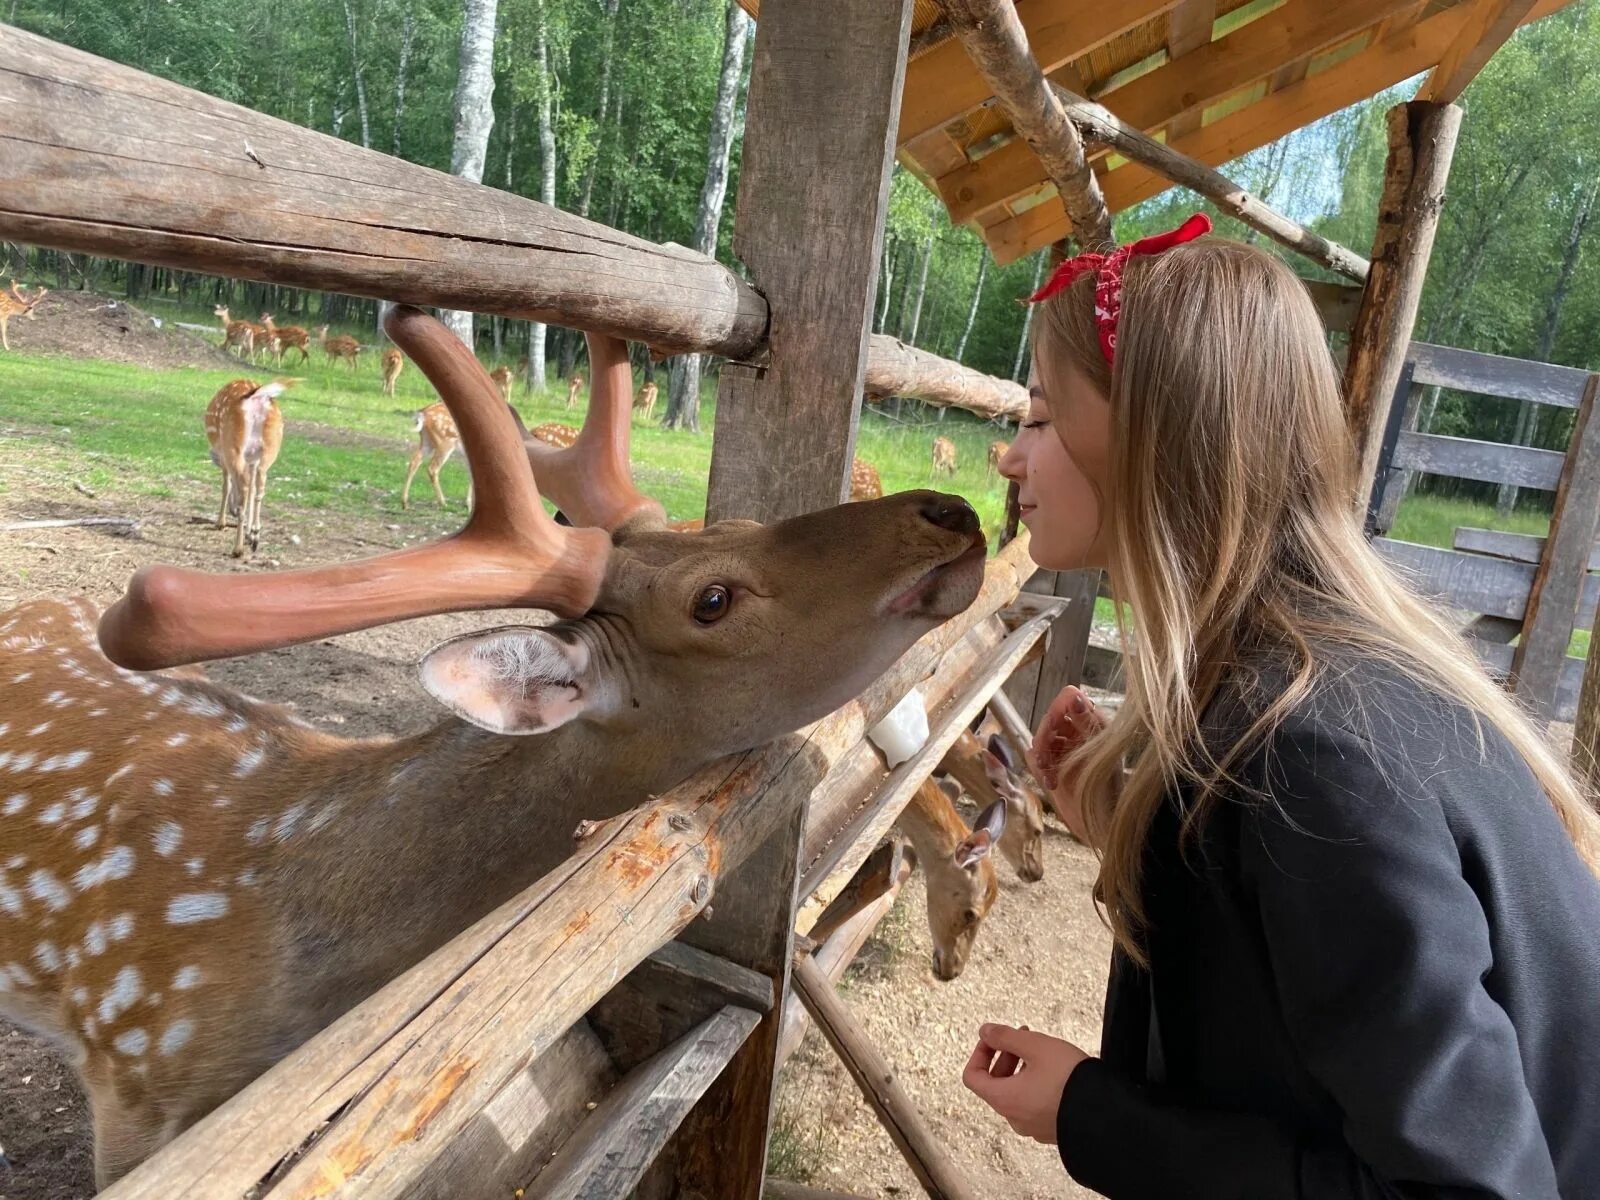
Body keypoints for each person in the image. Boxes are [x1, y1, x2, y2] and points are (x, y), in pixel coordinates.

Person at [965, 214, 1600, 1198]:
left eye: (1042, 418)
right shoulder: (1308, 683)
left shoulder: (1309, 762)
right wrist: (1136, 834)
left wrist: (1092, 1115)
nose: (1011, 458)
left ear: (1145, 441)